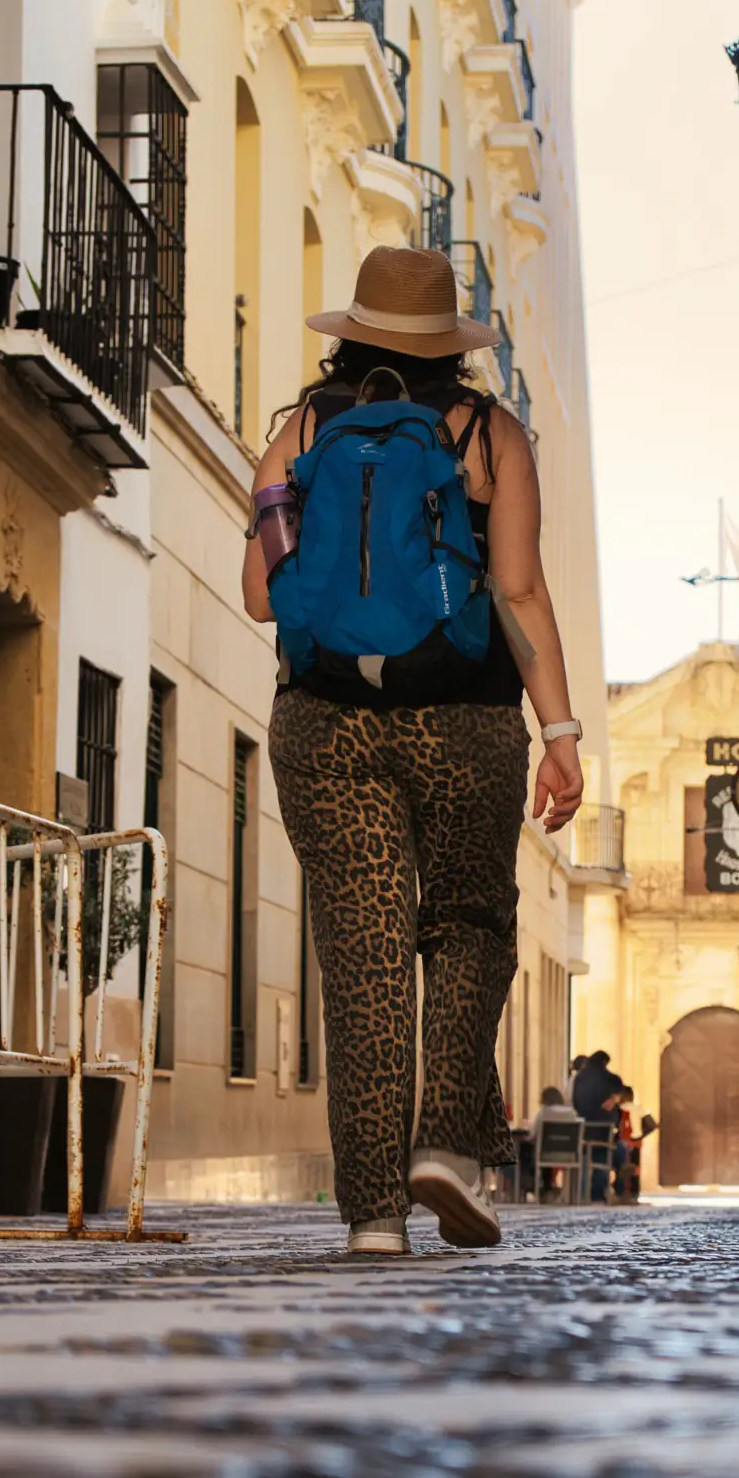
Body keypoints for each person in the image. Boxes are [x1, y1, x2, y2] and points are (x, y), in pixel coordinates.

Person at [241, 246, 585, 1257]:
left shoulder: (298, 435)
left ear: (350, 332)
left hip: (324, 723)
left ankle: (373, 1215)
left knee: (363, 959)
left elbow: (264, 593)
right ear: (449, 344)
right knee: (468, 926)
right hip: (465, 723)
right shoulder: (489, 435)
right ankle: (445, 1144)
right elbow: (518, 593)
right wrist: (559, 734)